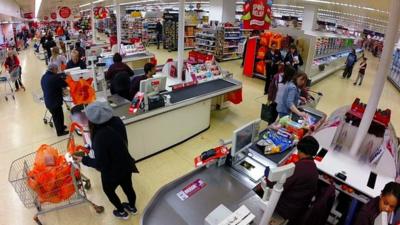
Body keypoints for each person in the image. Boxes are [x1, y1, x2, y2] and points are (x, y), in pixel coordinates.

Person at [73, 101, 139, 219]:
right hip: (125, 163)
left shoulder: (99, 136)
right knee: (128, 187)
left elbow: (100, 164)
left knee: (109, 191)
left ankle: (121, 212)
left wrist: (84, 159)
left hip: (111, 172)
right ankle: (132, 207)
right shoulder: (117, 121)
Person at [270, 136, 320, 225]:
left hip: (284, 210)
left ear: (299, 150)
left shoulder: (299, 168)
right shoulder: (313, 169)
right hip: (298, 209)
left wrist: (268, 177)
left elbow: (279, 186)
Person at [40, 64, 68, 136]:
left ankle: (61, 126)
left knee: (59, 115)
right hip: (54, 102)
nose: (57, 71)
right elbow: (65, 84)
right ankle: (60, 132)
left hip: (48, 100)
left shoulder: (44, 77)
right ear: (53, 69)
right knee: (57, 117)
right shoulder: (54, 77)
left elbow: (53, 81)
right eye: (56, 69)